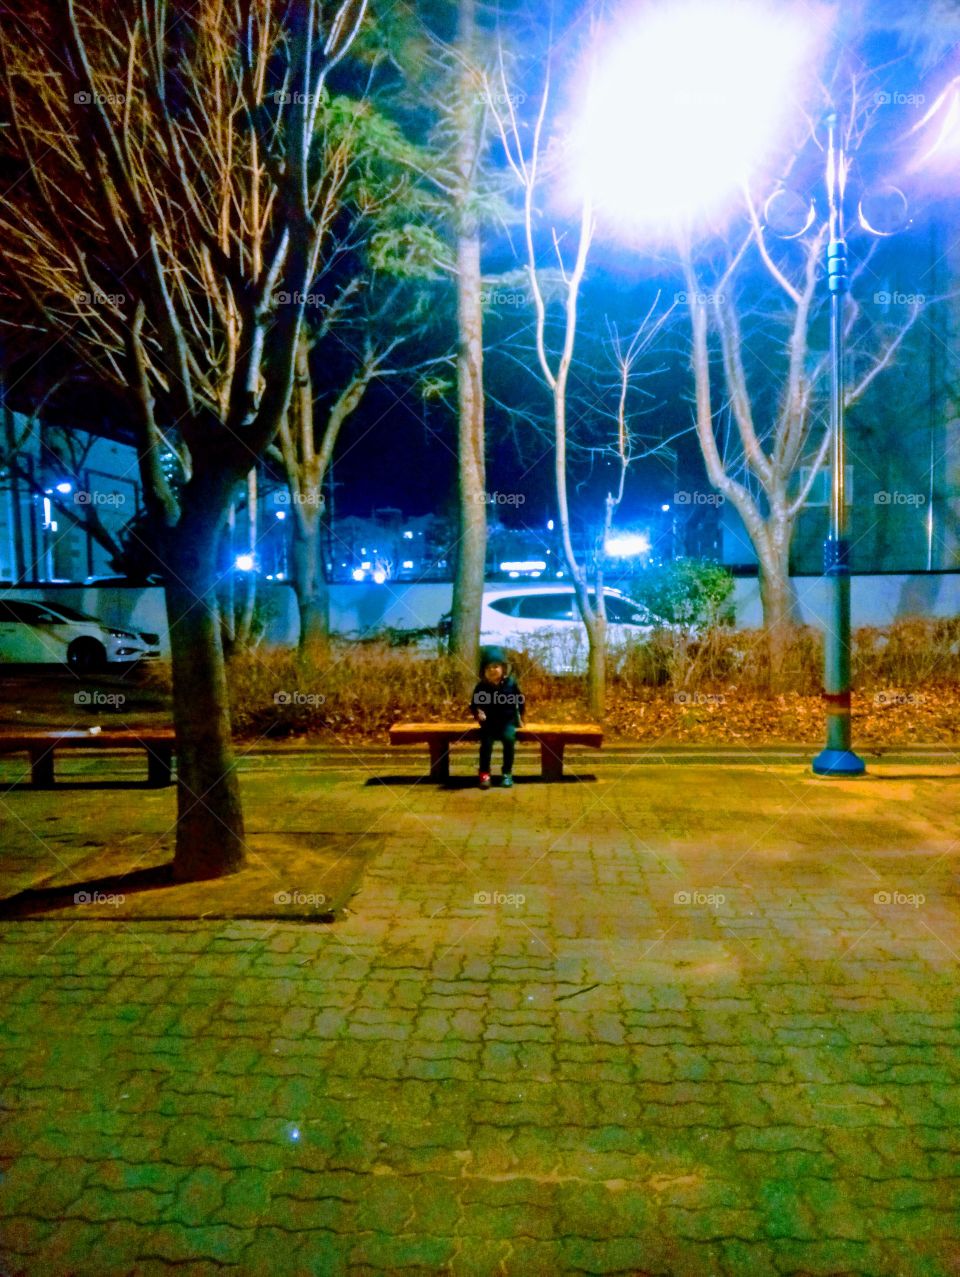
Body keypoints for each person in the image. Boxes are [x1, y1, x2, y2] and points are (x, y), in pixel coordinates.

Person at [470, 645, 525, 790]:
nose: (492, 670)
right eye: (488, 668)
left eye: (496, 667)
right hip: (489, 723)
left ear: (503, 669)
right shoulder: (481, 687)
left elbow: (520, 701)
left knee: (509, 740)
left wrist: (521, 717)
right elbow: (474, 704)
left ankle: (506, 772)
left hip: (507, 721)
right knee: (486, 745)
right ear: (484, 672)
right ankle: (484, 773)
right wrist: (478, 712)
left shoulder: (511, 684)